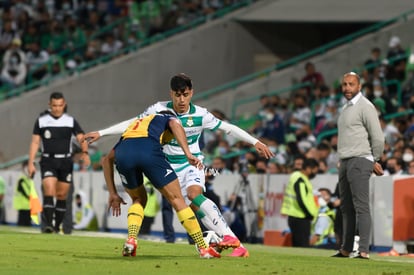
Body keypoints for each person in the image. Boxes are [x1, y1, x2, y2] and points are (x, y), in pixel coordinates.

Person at [85, 73, 274, 257]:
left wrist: (255, 142)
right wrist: (103, 132)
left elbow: (228, 128)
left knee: (194, 195)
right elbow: (133, 123)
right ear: (171, 94)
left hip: (191, 164)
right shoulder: (158, 109)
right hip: (168, 166)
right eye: (177, 95)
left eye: (185, 95)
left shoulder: (201, 115)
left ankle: (225, 238)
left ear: (191, 93)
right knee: (191, 207)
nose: (181, 100)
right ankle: (233, 243)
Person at [102, 111, 220, 258]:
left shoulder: (136, 126)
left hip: (124, 152)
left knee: (138, 200)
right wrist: (188, 153)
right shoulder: (166, 117)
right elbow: (174, 124)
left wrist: (113, 193)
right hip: (148, 151)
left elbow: (106, 160)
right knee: (177, 199)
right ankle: (203, 248)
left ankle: (131, 240)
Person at [332, 72, 384, 259]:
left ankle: (363, 250)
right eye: (344, 84)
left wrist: (374, 159)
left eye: (351, 84)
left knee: (361, 206)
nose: (347, 88)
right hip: (345, 160)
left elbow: (378, 136)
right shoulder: (345, 108)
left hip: (360, 159)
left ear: (359, 86)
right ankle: (346, 248)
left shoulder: (366, 106)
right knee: (346, 207)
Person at [28, 92, 91, 233]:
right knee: (49, 190)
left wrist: (85, 152)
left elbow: (82, 137)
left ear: (64, 105)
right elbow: (35, 141)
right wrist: (30, 162)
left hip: (65, 161)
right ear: (49, 105)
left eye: (60, 105)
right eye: (54, 105)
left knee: (62, 196)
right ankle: (49, 225)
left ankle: (57, 227)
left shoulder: (70, 121)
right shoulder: (41, 121)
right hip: (48, 160)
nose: (57, 108)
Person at [280, 158, 319, 247]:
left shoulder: (296, 177)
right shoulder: (300, 179)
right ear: (308, 168)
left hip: (295, 215)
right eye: (314, 171)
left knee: (297, 245)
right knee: (303, 246)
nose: (314, 174)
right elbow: (301, 199)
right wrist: (309, 214)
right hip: (300, 216)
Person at [13, 160, 34, 226]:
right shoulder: (22, 179)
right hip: (23, 205)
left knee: (27, 223)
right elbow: (24, 192)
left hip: (28, 205)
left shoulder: (28, 180)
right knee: (22, 223)